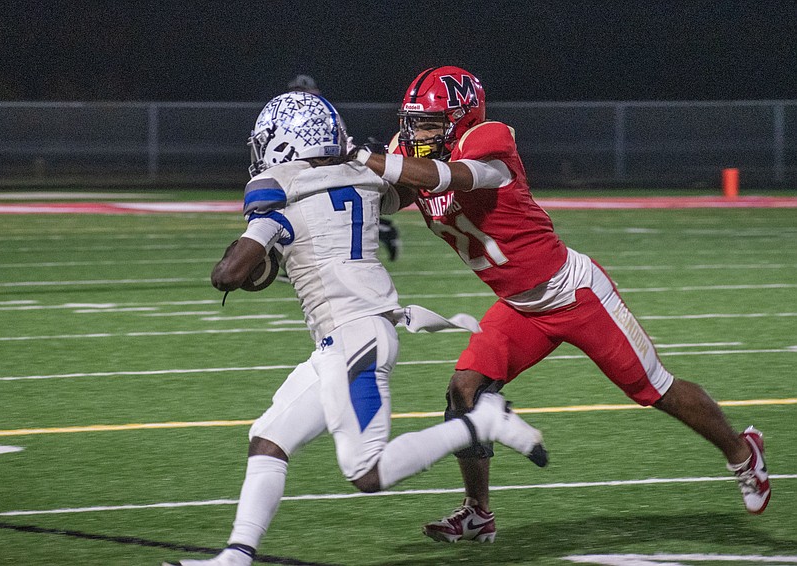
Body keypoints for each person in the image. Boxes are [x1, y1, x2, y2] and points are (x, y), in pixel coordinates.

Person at [353, 66, 771, 543]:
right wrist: (349, 178)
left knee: (655, 388)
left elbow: (450, 177)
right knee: (463, 392)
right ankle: (478, 512)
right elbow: (395, 196)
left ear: (462, 119)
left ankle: (743, 453)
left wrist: (368, 158)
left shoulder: (489, 140)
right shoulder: (413, 153)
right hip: (519, 306)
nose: (418, 134)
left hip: (573, 294)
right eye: (414, 123)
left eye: (430, 123)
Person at [163, 91, 548, 566]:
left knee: (366, 471)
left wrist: (261, 232)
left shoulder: (277, 187)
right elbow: (407, 190)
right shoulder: (359, 175)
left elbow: (227, 276)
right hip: (345, 340)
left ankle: (482, 422)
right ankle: (237, 556)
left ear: (285, 143)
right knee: (269, 438)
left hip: (354, 338)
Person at [287, 73, 402, 261]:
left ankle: (383, 229)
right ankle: (384, 229)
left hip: (325, 169)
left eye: (304, 92)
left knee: (321, 216)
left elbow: (339, 146)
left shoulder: (324, 114)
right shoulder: (306, 115)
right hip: (317, 169)